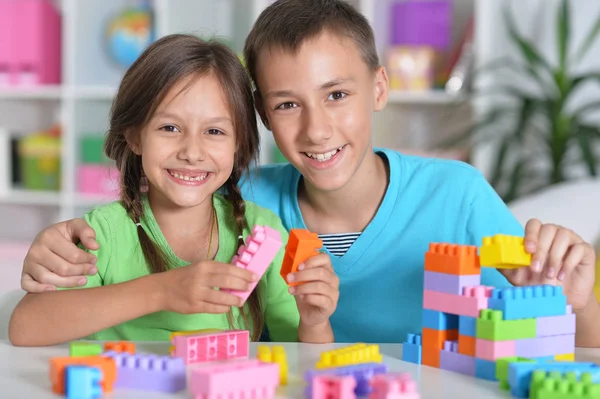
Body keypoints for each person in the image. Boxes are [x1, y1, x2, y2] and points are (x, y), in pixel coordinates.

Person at [19, 0, 600, 346]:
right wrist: (60, 241)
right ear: (262, 118)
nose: (317, 131)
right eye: (288, 104)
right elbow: (158, 205)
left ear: (379, 88)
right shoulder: (244, 204)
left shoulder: (459, 198)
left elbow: (561, 341)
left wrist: (582, 302)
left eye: (337, 94)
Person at [8, 34, 339, 347]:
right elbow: (25, 328)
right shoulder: (102, 234)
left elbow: (302, 358)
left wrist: (314, 323)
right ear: (135, 137)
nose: (192, 152)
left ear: (238, 145)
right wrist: (162, 291)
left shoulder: (263, 231)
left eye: (214, 130)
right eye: (169, 127)